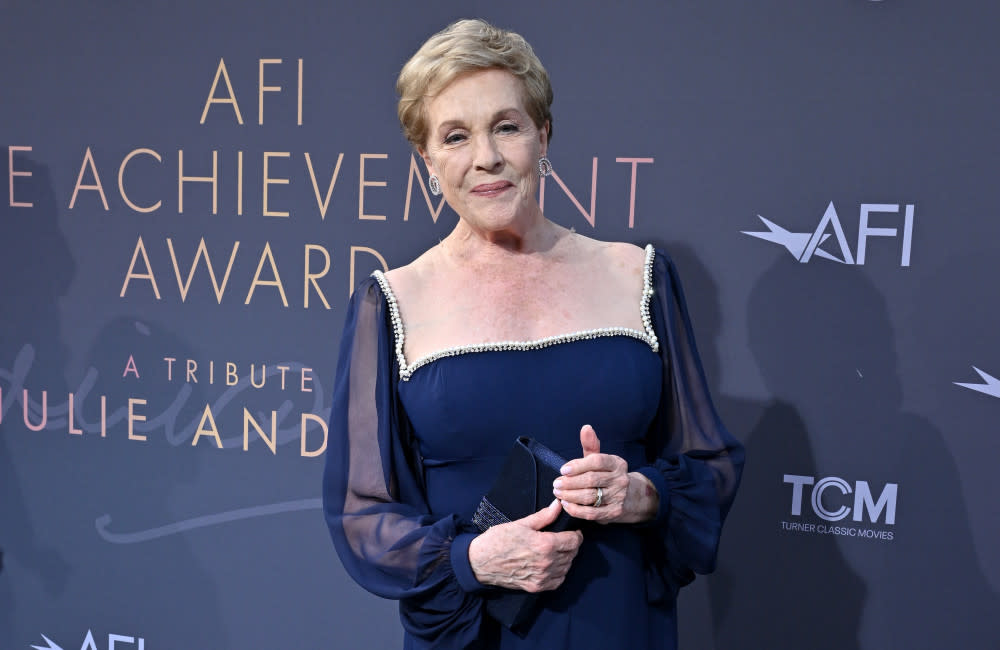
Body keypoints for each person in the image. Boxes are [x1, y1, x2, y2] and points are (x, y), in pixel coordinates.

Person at [323, 18, 744, 650]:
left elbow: (710, 465)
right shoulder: (391, 302)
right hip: (476, 633)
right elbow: (361, 512)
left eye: (507, 126)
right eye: (456, 136)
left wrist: (642, 494)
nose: (485, 157)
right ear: (428, 160)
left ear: (543, 135)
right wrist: (473, 561)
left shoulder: (640, 275)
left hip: (620, 624)